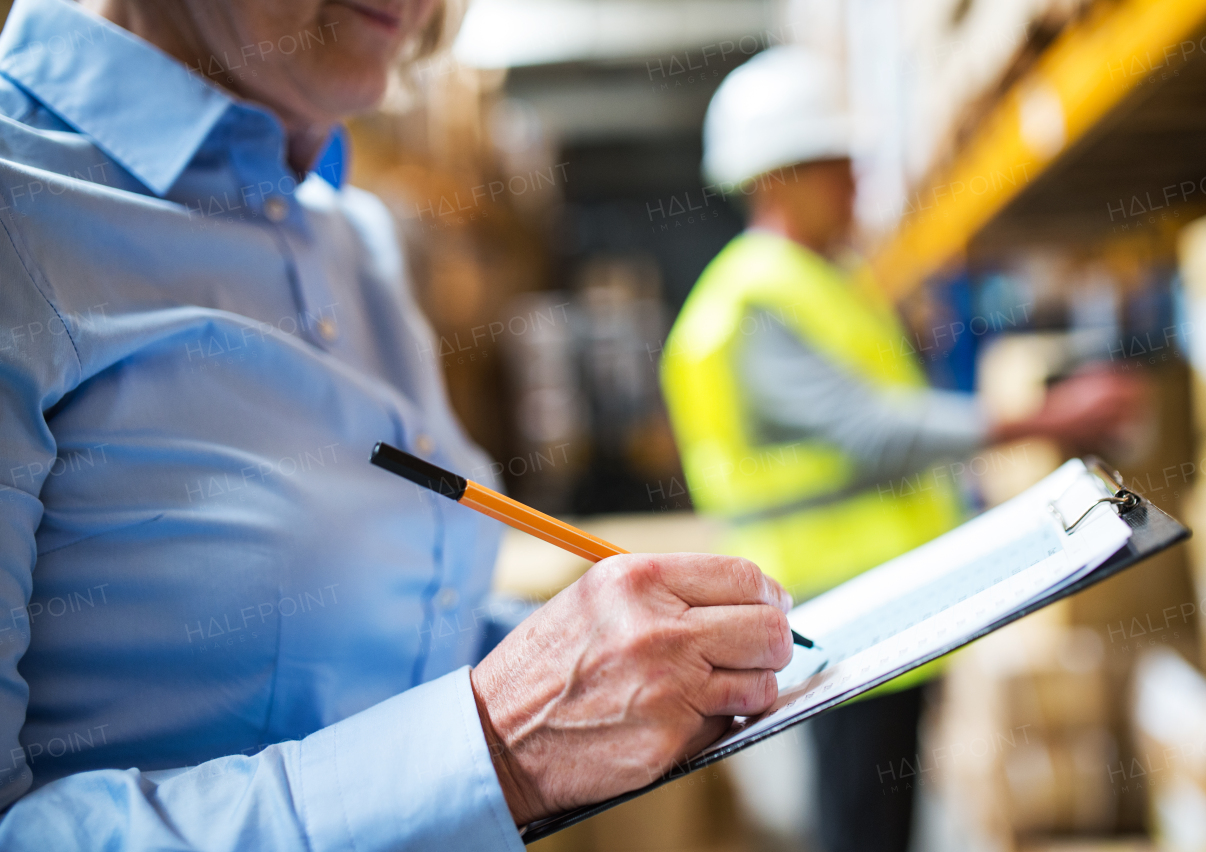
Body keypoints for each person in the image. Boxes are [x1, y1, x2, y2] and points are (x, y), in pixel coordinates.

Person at [0, 0, 796, 849]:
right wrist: (499, 745)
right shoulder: (23, 216)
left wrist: (595, 658)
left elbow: (377, 642)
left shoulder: (356, 243)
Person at [660, 46, 1142, 852]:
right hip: (834, 620)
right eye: (835, 166)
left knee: (883, 819)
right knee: (861, 824)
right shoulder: (751, 305)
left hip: (887, 610)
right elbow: (872, 432)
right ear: (775, 177)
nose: (856, 185)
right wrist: (1044, 421)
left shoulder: (823, 281)